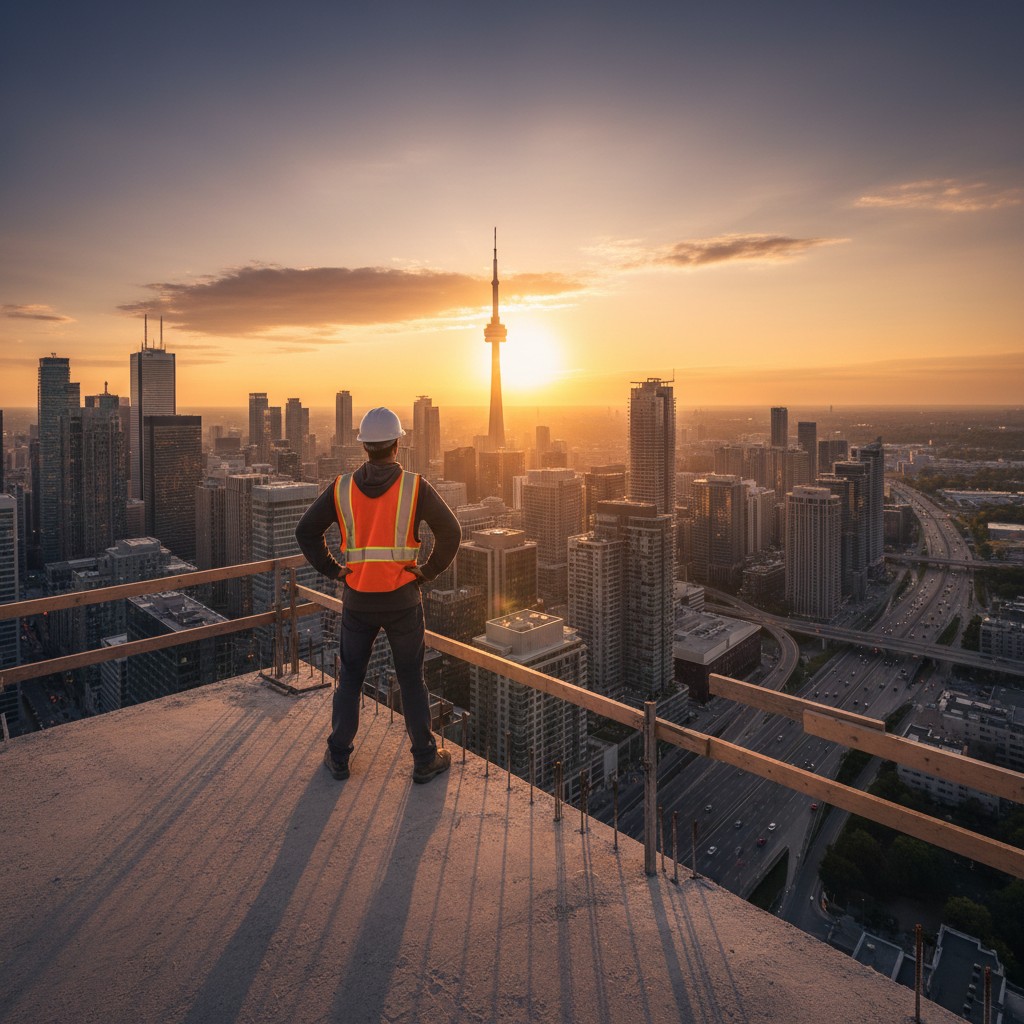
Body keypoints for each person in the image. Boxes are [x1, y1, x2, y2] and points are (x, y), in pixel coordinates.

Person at [295, 406, 461, 784]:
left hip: (358, 600)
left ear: (364, 447)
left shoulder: (341, 488)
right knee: (411, 680)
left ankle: (338, 756)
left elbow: (306, 532)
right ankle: (424, 758)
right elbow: (451, 533)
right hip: (403, 600)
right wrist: (427, 571)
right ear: (397, 445)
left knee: (350, 678)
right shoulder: (415, 487)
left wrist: (334, 569)